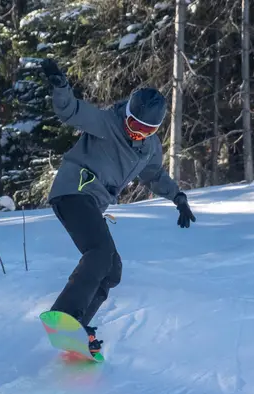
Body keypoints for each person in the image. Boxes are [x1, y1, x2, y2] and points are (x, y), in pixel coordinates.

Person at [41, 58, 196, 355]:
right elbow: (70, 110)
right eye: (134, 125)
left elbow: (154, 175)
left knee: (112, 269)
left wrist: (178, 197)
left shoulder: (149, 147)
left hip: (91, 203)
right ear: (126, 114)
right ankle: (66, 314)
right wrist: (61, 87)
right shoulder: (106, 123)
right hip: (74, 192)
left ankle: (75, 331)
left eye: (146, 130)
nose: (137, 134)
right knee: (99, 253)